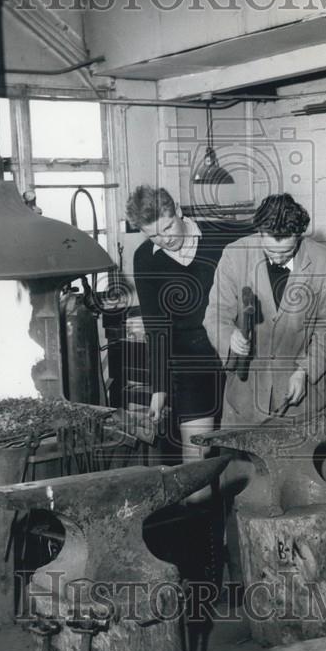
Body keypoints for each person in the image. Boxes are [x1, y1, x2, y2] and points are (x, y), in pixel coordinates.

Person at [204, 193, 326, 427]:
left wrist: (305, 371)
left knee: (300, 463)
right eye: (270, 251)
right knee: (246, 463)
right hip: (246, 397)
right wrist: (230, 337)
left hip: (303, 395)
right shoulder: (234, 254)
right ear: (259, 232)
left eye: (286, 253)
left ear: (298, 236)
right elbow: (216, 313)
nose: (278, 258)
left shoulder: (323, 260)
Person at [126, 186, 228, 466]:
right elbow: (156, 327)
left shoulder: (222, 237)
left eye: (168, 227)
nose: (165, 238)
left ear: (179, 211)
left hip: (236, 354)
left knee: (243, 451)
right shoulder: (145, 258)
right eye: (153, 234)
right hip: (189, 362)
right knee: (197, 458)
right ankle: (202, 509)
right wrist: (159, 388)